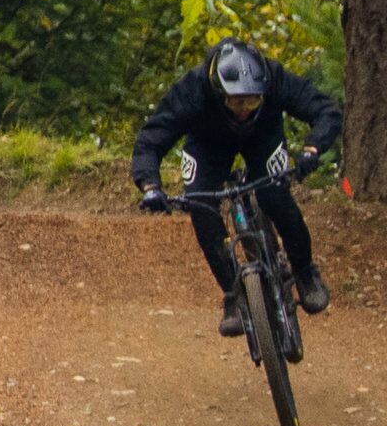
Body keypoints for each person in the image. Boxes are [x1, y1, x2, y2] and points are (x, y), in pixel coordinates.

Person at [130, 39, 343, 337]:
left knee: (275, 196)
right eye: (235, 102)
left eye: (252, 101)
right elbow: (151, 139)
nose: (243, 110)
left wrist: (312, 149)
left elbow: (325, 111)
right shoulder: (193, 89)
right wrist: (150, 185)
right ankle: (234, 294)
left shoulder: (273, 77)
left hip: (263, 138)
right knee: (201, 209)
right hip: (208, 144)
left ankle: (305, 272)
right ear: (218, 93)